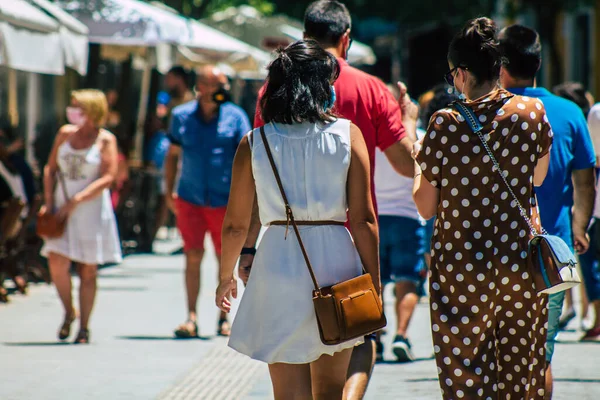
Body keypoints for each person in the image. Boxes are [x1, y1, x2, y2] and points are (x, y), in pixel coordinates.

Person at [246, 2, 415, 396]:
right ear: (346, 39)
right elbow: (407, 165)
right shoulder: (372, 88)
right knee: (355, 329)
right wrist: (408, 121)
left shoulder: (273, 89)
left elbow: (259, 168)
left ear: (304, 37)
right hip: (351, 236)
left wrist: (247, 250)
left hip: (286, 242)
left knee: (295, 349)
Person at [216, 39, 379, 400]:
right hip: (337, 262)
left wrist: (225, 276)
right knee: (331, 390)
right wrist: (374, 283)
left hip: (277, 262)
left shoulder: (255, 141)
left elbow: (235, 225)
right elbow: (364, 218)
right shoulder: (347, 135)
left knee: (287, 393)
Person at [413, 17, 553, 399]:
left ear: (460, 73)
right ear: (499, 68)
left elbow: (426, 207)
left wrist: (417, 160)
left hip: (462, 265)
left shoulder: (445, 123)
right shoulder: (532, 113)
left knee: (465, 375)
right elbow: (538, 178)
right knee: (520, 369)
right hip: (519, 263)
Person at [498, 25, 596, 398]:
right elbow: (585, 182)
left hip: (496, 252)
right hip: (552, 254)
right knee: (539, 355)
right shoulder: (569, 112)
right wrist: (580, 228)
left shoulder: (491, 110)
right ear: (538, 62)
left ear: (501, 64)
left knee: (498, 355)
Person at [165, 65, 251, 339]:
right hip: (190, 197)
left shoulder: (235, 117)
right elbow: (172, 155)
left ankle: (224, 317)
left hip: (224, 200)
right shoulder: (180, 116)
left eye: (224, 85)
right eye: (217, 84)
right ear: (201, 86)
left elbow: (248, 157)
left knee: (222, 258)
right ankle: (191, 317)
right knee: (192, 256)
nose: (222, 90)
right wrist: (168, 191)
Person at [40, 89, 122, 344]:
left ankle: (84, 326)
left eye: (78, 106)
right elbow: (50, 169)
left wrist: (77, 200)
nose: (72, 110)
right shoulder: (65, 133)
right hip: (61, 208)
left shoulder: (106, 140)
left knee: (88, 269)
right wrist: (49, 201)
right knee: (56, 260)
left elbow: (109, 177)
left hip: (90, 210)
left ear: (93, 111)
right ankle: (68, 311)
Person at [552, 82, 595, 331]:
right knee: (573, 259)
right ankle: (578, 309)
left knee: (574, 259)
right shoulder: (577, 121)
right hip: (578, 202)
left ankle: (575, 308)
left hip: (573, 200)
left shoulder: (574, 122)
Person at [579, 102, 600, 340]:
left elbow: (592, 158)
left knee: (591, 261)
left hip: (598, 205)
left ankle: (597, 317)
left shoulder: (597, 113)